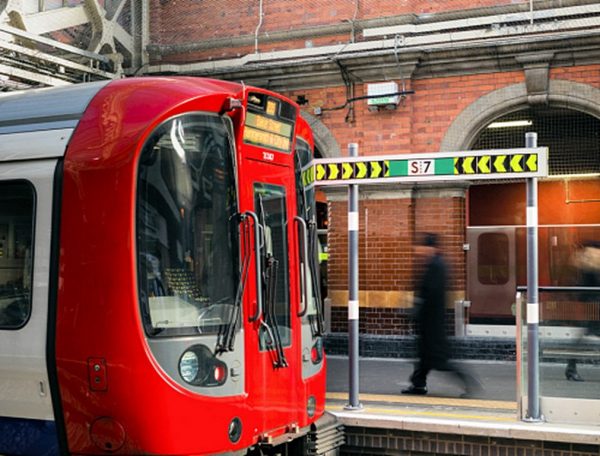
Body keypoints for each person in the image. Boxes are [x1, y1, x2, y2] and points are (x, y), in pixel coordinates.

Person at [402, 233, 481, 397]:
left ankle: (468, 382)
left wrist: (417, 308)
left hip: (433, 324)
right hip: (429, 323)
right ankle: (418, 385)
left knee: (440, 361)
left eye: (424, 247)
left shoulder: (437, 266)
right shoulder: (433, 264)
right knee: (424, 358)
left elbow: (431, 294)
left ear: (432, 248)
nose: (420, 250)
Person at [565, 240, 600, 382]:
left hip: (593, 307)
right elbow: (586, 290)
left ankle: (570, 368)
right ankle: (570, 368)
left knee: (582, 338)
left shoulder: (589, 266)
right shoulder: (591, 268)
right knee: (582, 338)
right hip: (595, 308)